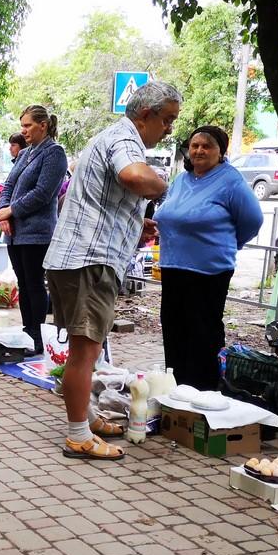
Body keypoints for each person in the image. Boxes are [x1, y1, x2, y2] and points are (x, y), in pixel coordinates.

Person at [44, 81, 181, 461]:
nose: (169, 129)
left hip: (81, 258)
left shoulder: (110, 137)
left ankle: (86, 420)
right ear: (145, 114)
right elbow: (135, 177)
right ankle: (77, 436)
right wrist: (165, 185)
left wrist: (134, 227)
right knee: (84, 353)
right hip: (89, 261)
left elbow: (105, 201)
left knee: (85, 349)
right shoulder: (126, 138)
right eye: (167, 120)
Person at [154, 125, 262, 390]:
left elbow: (253, 221)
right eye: (195, 145)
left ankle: (203, 389)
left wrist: (228, 244)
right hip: (173, 265)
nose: (199, 150)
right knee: (173, 326)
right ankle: (177, 386)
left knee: (202, 330)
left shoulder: (230, 181)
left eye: (207, 146)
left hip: (209, 270)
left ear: (220, 151)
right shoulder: (181, 179)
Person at [0, 105, 69, 355]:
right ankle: (27, 331)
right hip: (15, 233)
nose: (24, 130)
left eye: (28, 125)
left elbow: (43, 193)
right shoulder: (26, 153)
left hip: (37, 233)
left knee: (35, 284)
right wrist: (4, 212)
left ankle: (37, 337)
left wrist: (12, 211)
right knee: (23, 285)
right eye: (22, 126)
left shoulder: (54, 153)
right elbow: (8, 185)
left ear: (43, 125)